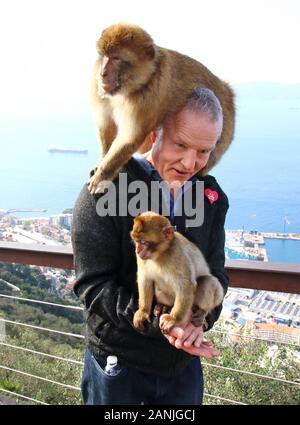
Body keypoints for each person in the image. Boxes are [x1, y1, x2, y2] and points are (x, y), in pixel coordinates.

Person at [71, 87, 229, 405]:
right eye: (181, 145)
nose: (190, 163)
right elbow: (93, 286)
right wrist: (161, 324)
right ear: (154, 131)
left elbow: (216, 275)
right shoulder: (106, 190)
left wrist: (198, 322)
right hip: (119, 364)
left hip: (182, 367)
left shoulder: (211, 198)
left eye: (203, 152)